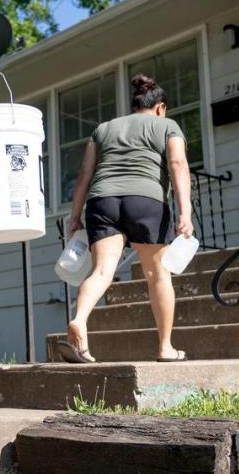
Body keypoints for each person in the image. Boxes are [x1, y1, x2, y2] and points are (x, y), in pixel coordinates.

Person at [55, 74, 192, 364]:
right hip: (146, 201)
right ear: (160, 107)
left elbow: (84, 173)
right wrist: (185, 212)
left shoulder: (104, 129)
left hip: (102, 201)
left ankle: (80, 320)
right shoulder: (167, 125)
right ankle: (166, 348)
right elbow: (178, 164)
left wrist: (75, 215)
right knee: (157, 274)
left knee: (102, 272)